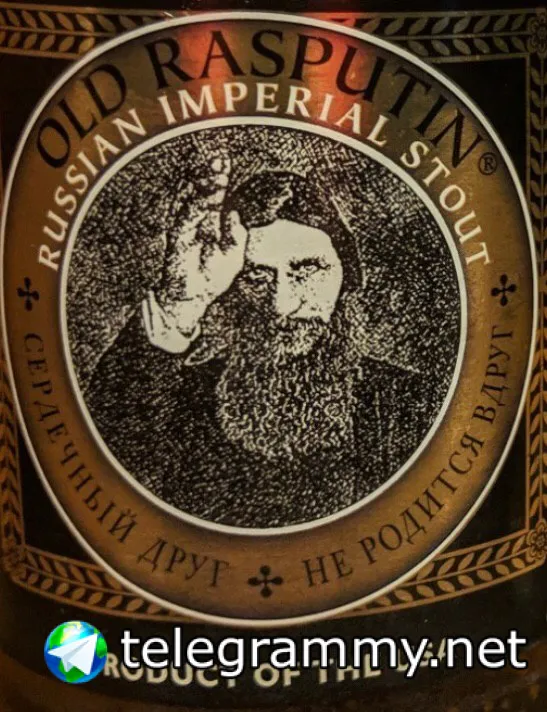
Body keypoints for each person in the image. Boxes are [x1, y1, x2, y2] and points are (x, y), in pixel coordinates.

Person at [85, 157, 431, 528]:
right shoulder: (181, 399)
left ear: (346, 275)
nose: (281, 304)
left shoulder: (408, 403)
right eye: (256, 277)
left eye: (307, 270)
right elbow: (104, 467)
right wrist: (181, 302)